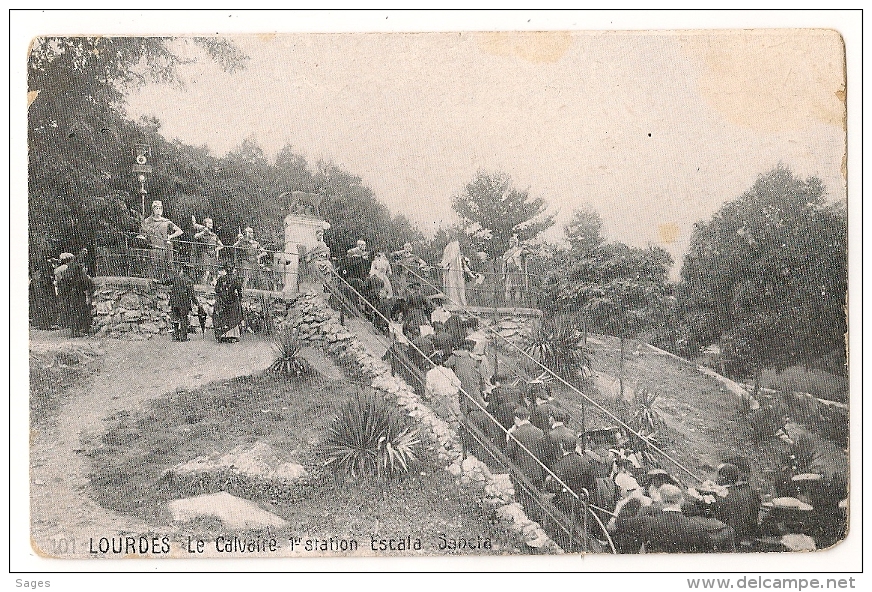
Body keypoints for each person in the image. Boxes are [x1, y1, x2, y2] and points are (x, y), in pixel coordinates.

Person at [615, 483, 715, 553]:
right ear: (680, 501)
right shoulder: (697, 528)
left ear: (661, 501)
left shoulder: (648, 522)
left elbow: (620, 523)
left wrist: (633, 502)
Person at [709, 463, 761, 543]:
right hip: (748, 534)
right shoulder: (747, 492)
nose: (716, 478)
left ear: (723, 477)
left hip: (730, 537)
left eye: (718, 475)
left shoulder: (722, 495)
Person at [140, 200, 183, 280]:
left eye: (160, 208)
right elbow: (143, 232)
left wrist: (170, 237)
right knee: (153, 267)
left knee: (165, 266)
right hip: (152, 247)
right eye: (157, 208)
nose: (159, 210)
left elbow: (179, 231)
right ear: (153, 209)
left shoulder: (166, 222)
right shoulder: (147, 221)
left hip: (164, 247)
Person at [506, 406, 547, 488]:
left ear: (516, 418)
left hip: (521, 472)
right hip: (537, 472)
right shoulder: (540, 432)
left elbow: (509, 453)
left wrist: (508, 439)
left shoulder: (515, 434)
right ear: (528, 417)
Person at [213, 262, 244, 343]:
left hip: (223, 300)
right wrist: (240, 299)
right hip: (232, 299)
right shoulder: (236, 279)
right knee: (233, 317)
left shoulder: (221, 278)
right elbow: (240, 291)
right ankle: (232, 335)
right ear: (233, 269)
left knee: (223, 317)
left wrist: (222, 294)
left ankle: (223, 334)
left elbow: (216, 290)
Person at [168, 267, 198, 341]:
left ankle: (176, 336)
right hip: (183, 303)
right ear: (189, 272)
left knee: (175, 319)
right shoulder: (189, 281)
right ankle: (183, 337)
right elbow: (192, 295)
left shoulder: (176, 277)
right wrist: (197, 303)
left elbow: (167, 282)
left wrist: (158, 281)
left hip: (174, 302)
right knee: (183, 319)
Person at [192, 216, 223, 285]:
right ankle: (202, 286)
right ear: (205, 224)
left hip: (212, 255)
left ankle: (208, 287)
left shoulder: (214, 235)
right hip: (205, 254)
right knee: (206, 272)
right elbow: (195, 236)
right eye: (209, 223)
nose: (211, 225)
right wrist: (203, 232)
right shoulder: (202, 233)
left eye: (211, 223)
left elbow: (221, 245)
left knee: (212, 273)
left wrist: (215, 250)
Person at [502, 234, 530, 305]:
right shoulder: (507, 252)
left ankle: (517, 306)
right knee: (508, 289)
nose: (509, 243)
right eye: (509, 242)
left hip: (517, 272)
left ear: (514, 242)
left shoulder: (519, 251)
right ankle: (508, 306)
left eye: (511, 242)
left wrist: (526, 248)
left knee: (517, 289)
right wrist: (503, 275)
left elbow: (530, 252)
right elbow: (504, 264)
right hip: (509, 273)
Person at [439, 240, 467, 306]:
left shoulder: (455, 245)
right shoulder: (449, 246)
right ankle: (452, 301)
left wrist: (446, 264)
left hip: (454, 270)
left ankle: (456, 302)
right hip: (450, 269)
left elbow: (452, 257)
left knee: (455, 285)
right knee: (451, 285)